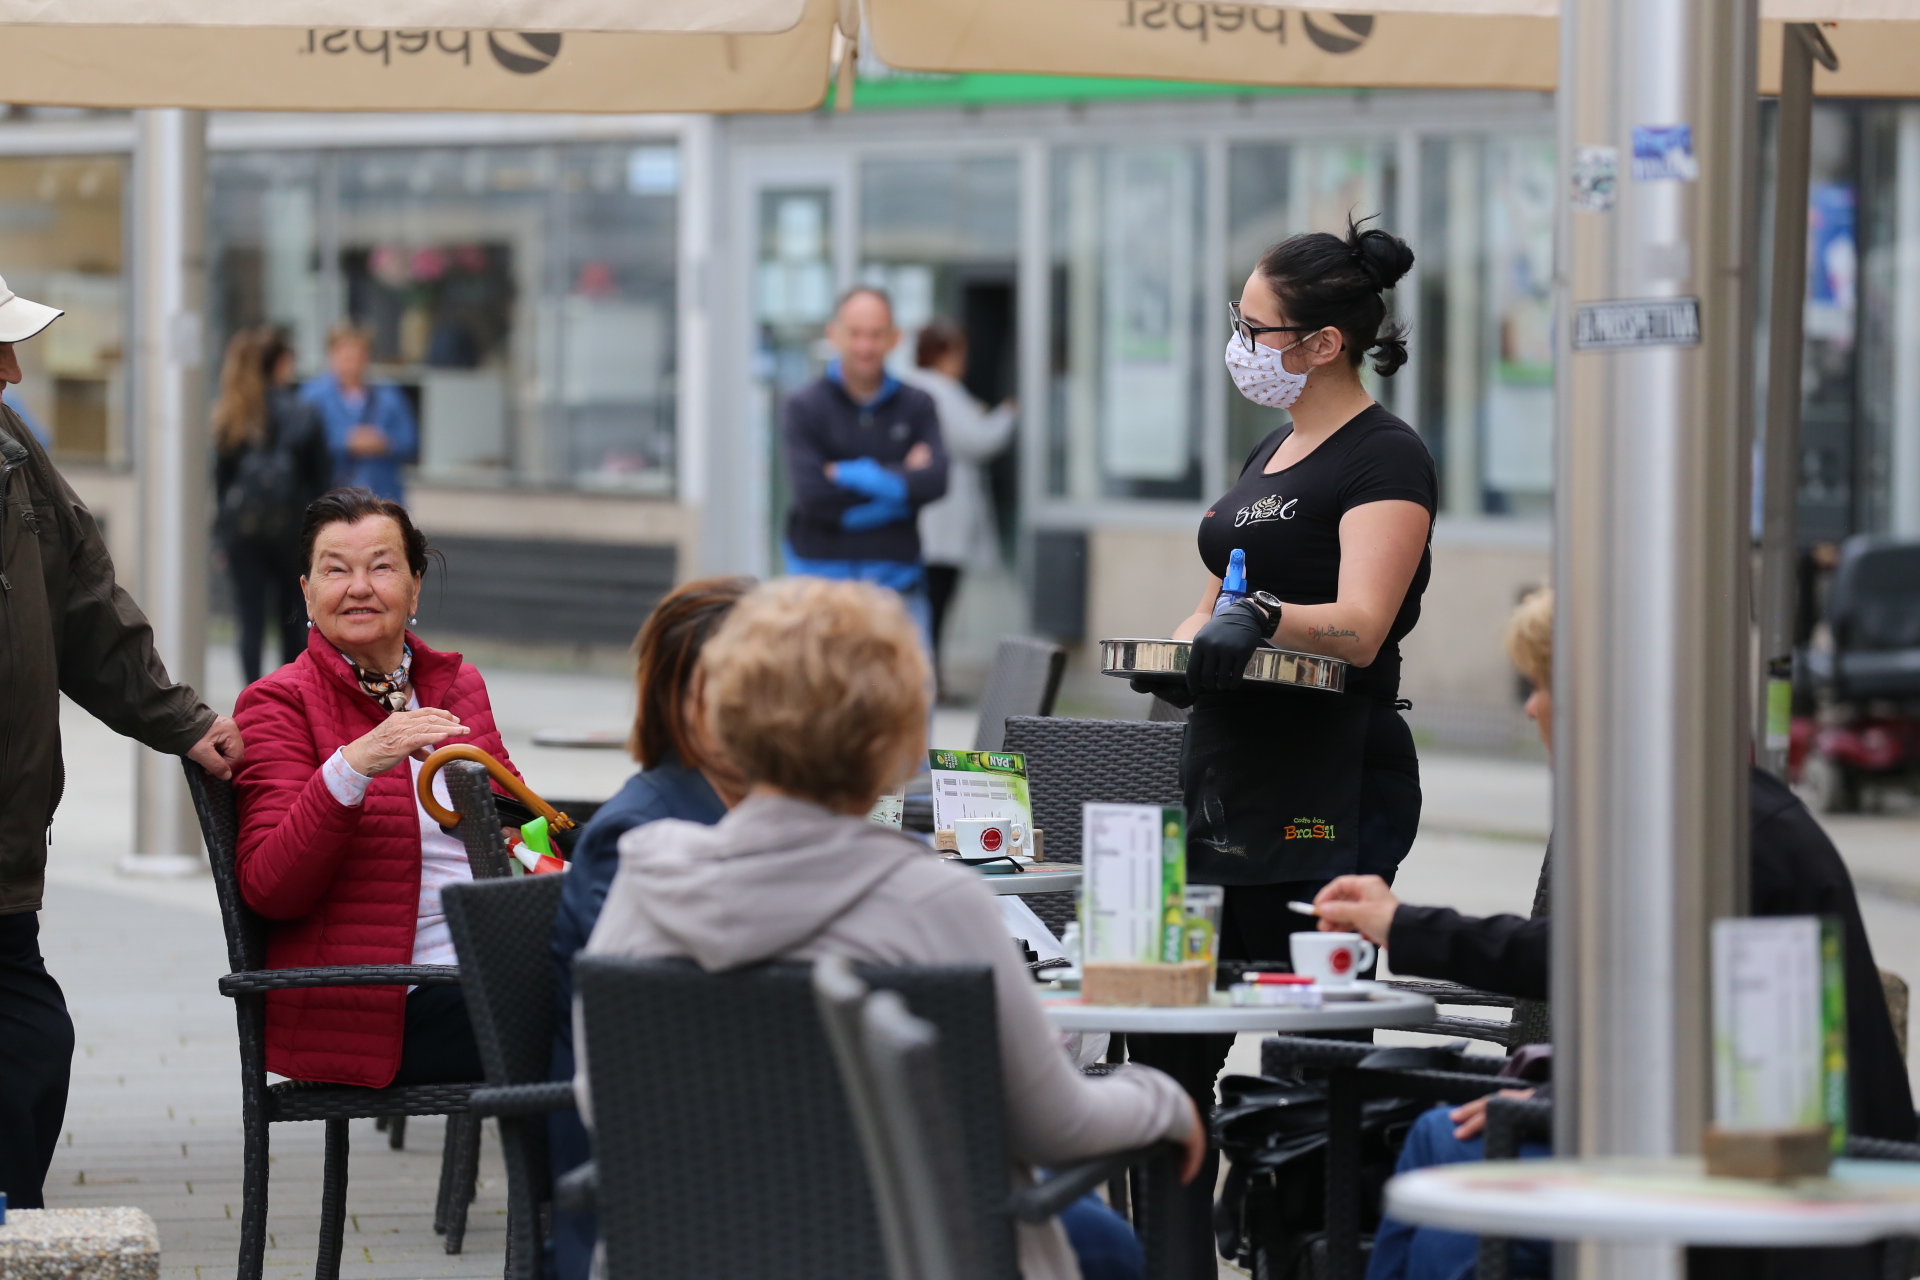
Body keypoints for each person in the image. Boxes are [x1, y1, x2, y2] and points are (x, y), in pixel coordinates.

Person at [578, 577, 1204, 1280]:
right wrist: (1166, 1101)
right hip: (906, 1250)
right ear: (902, 739)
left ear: (721, 721)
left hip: (692, 1254)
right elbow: (1054, 1124)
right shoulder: (935, 900)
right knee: (1108, 1248)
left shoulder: (649, 880)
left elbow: (600, 1102)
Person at [1316, 587, 1917, 1280]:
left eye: (1542, 685)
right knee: (1437, 1138)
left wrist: (1403, 926)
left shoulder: (1705, 824)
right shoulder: (1707, 799)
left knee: (1450, 1153)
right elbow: (1662, 999)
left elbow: (1598, 963)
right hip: (1720, 1144)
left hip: (1773, 1193)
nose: (1532, 707)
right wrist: (1561, 1099)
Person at [1123, 217, 1433, 1273]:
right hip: (1225, 779)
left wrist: (1262, 620)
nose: (1240, 342)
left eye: (1256, 326)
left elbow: (1359, 622)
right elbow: (1216, 596)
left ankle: (1308, 1252)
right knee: (1165, 1059)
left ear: (1322, 343)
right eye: (1238, 322)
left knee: (1314, 1065)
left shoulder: (1387, 456)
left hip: (1329, 782)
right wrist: (1179, 645)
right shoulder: (1273, 446)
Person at [0, 273, 245, 1210]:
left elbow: (83, 605)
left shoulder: (14, 450)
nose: (15, 371)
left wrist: (184, 723)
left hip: (8, 853)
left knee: (30, 1051)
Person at [231, 488, 521, 1089]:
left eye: (381, 567)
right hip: (378, 1004)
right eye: (336, 570)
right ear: (307, 592)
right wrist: (355, 764)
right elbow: (268, 888)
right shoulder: (277, 702)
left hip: (491, 969)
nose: (358, 587)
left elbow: (513, 827)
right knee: (594, 1014)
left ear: (415, 587)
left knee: (635, 987)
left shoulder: (456, 683)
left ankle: (574, 1181)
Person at [546, 574, 753, 1280]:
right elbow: (661, 1023)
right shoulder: (637, 831)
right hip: (656, 1172)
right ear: (681, 697)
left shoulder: (756, 806)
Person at [781, 287, 949, 635]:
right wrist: (901, 493)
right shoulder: (803, 406)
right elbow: (813, 499)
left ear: (895, 338)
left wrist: (849, 474)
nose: (865, 347)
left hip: (898, 591)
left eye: (876, 335)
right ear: (834, 334)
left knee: (913, 691)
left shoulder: (918, 405)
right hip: (816, 591)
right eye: (855, 334)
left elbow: (935, 482)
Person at [213, 327, 333, 686]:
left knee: (249, 623)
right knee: (293, 622)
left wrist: (221, 536)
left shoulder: (234, 412)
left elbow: (221, 484)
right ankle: (292, 702)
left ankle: (251, 702)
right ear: (281, 365)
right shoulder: (304, 413)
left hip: (244, 533)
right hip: (293, 532)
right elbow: (321, 483)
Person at [904, 318, 1016, 697]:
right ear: (944, 353)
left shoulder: (915, 388)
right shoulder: (940, 390)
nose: (963, 361)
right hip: (942, 520)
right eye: (959, 352)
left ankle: (927, 679)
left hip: (926, 519)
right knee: (935, 606)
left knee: (929, 605)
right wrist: (1005, 416)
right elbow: (975, 440)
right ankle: (929, 682)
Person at [301, 323, 418, 505]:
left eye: (357, 354)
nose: (352, 361)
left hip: (382, 495)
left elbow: (409, 440)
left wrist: (384, 443)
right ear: (332, 355)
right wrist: (345, 441)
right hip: (331, 497)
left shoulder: (388, 394)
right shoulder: (313, 395)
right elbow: (301, 443)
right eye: (345, 354)